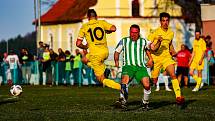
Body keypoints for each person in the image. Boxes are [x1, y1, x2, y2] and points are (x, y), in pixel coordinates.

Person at [76, 9, 120, 90]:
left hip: (95, 54)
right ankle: (104, 69)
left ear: (88, 17)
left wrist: (85, 47)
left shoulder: (84, 26)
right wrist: (107, 31)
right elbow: (113, 28)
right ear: (96, 16)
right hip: (105, 52)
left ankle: (121, 87)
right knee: (84, 59)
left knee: (100, 79)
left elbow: (78, 44)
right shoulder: (102, 22)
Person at [148, 12, 184, 105]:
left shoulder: (171, 33)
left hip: (167, 58)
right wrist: (150, 58)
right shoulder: (154, 32)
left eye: (167, 20)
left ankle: (178, 96)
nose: (165, 22)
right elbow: (149, 47)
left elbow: (170, 44)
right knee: (154, 81)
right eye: (163, 20)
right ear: (160, 21)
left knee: (173, 74)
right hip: (156, 59)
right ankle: (149, 89)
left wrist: (174, 51)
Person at [114, 24, 153, 109]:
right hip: (128, 66)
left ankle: (145, 103)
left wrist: (150, 59)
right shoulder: (124, 41)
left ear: (139, 33)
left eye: (135, 32)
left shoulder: (144, 41)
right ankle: (122, 101)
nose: (133, 34)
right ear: (129, 32)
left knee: (147, 85)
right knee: (125, 81)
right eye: (132, 32)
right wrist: (116, 61)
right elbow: (117, 51)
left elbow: (150, 49)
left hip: (140, 67)